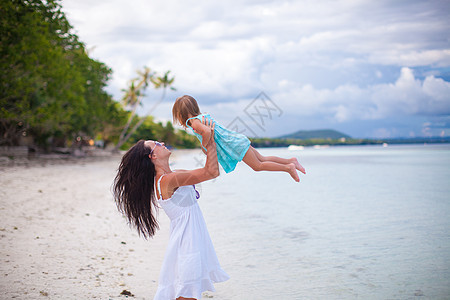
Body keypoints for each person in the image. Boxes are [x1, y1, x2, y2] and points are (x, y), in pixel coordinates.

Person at [113, 117, 229, 300]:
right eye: (157, 144)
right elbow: (211, 172)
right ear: (153, 156)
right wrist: (209, 137)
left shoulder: (172, 176)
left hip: (190, 239)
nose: (163, 143)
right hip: (187, 243)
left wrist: (207, 137)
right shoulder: (167, 181)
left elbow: (209, 168)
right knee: (186, 293)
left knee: (186, 292)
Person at [172, 95, 306, 182]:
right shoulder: (203, 117)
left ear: (180, 115)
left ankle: (288, 168)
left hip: (235, 145)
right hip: (236, 140)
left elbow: (207, 132)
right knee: (263, 159)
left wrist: (205, 145)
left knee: (258, 166)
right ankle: (291, 160)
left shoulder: (194, 122)